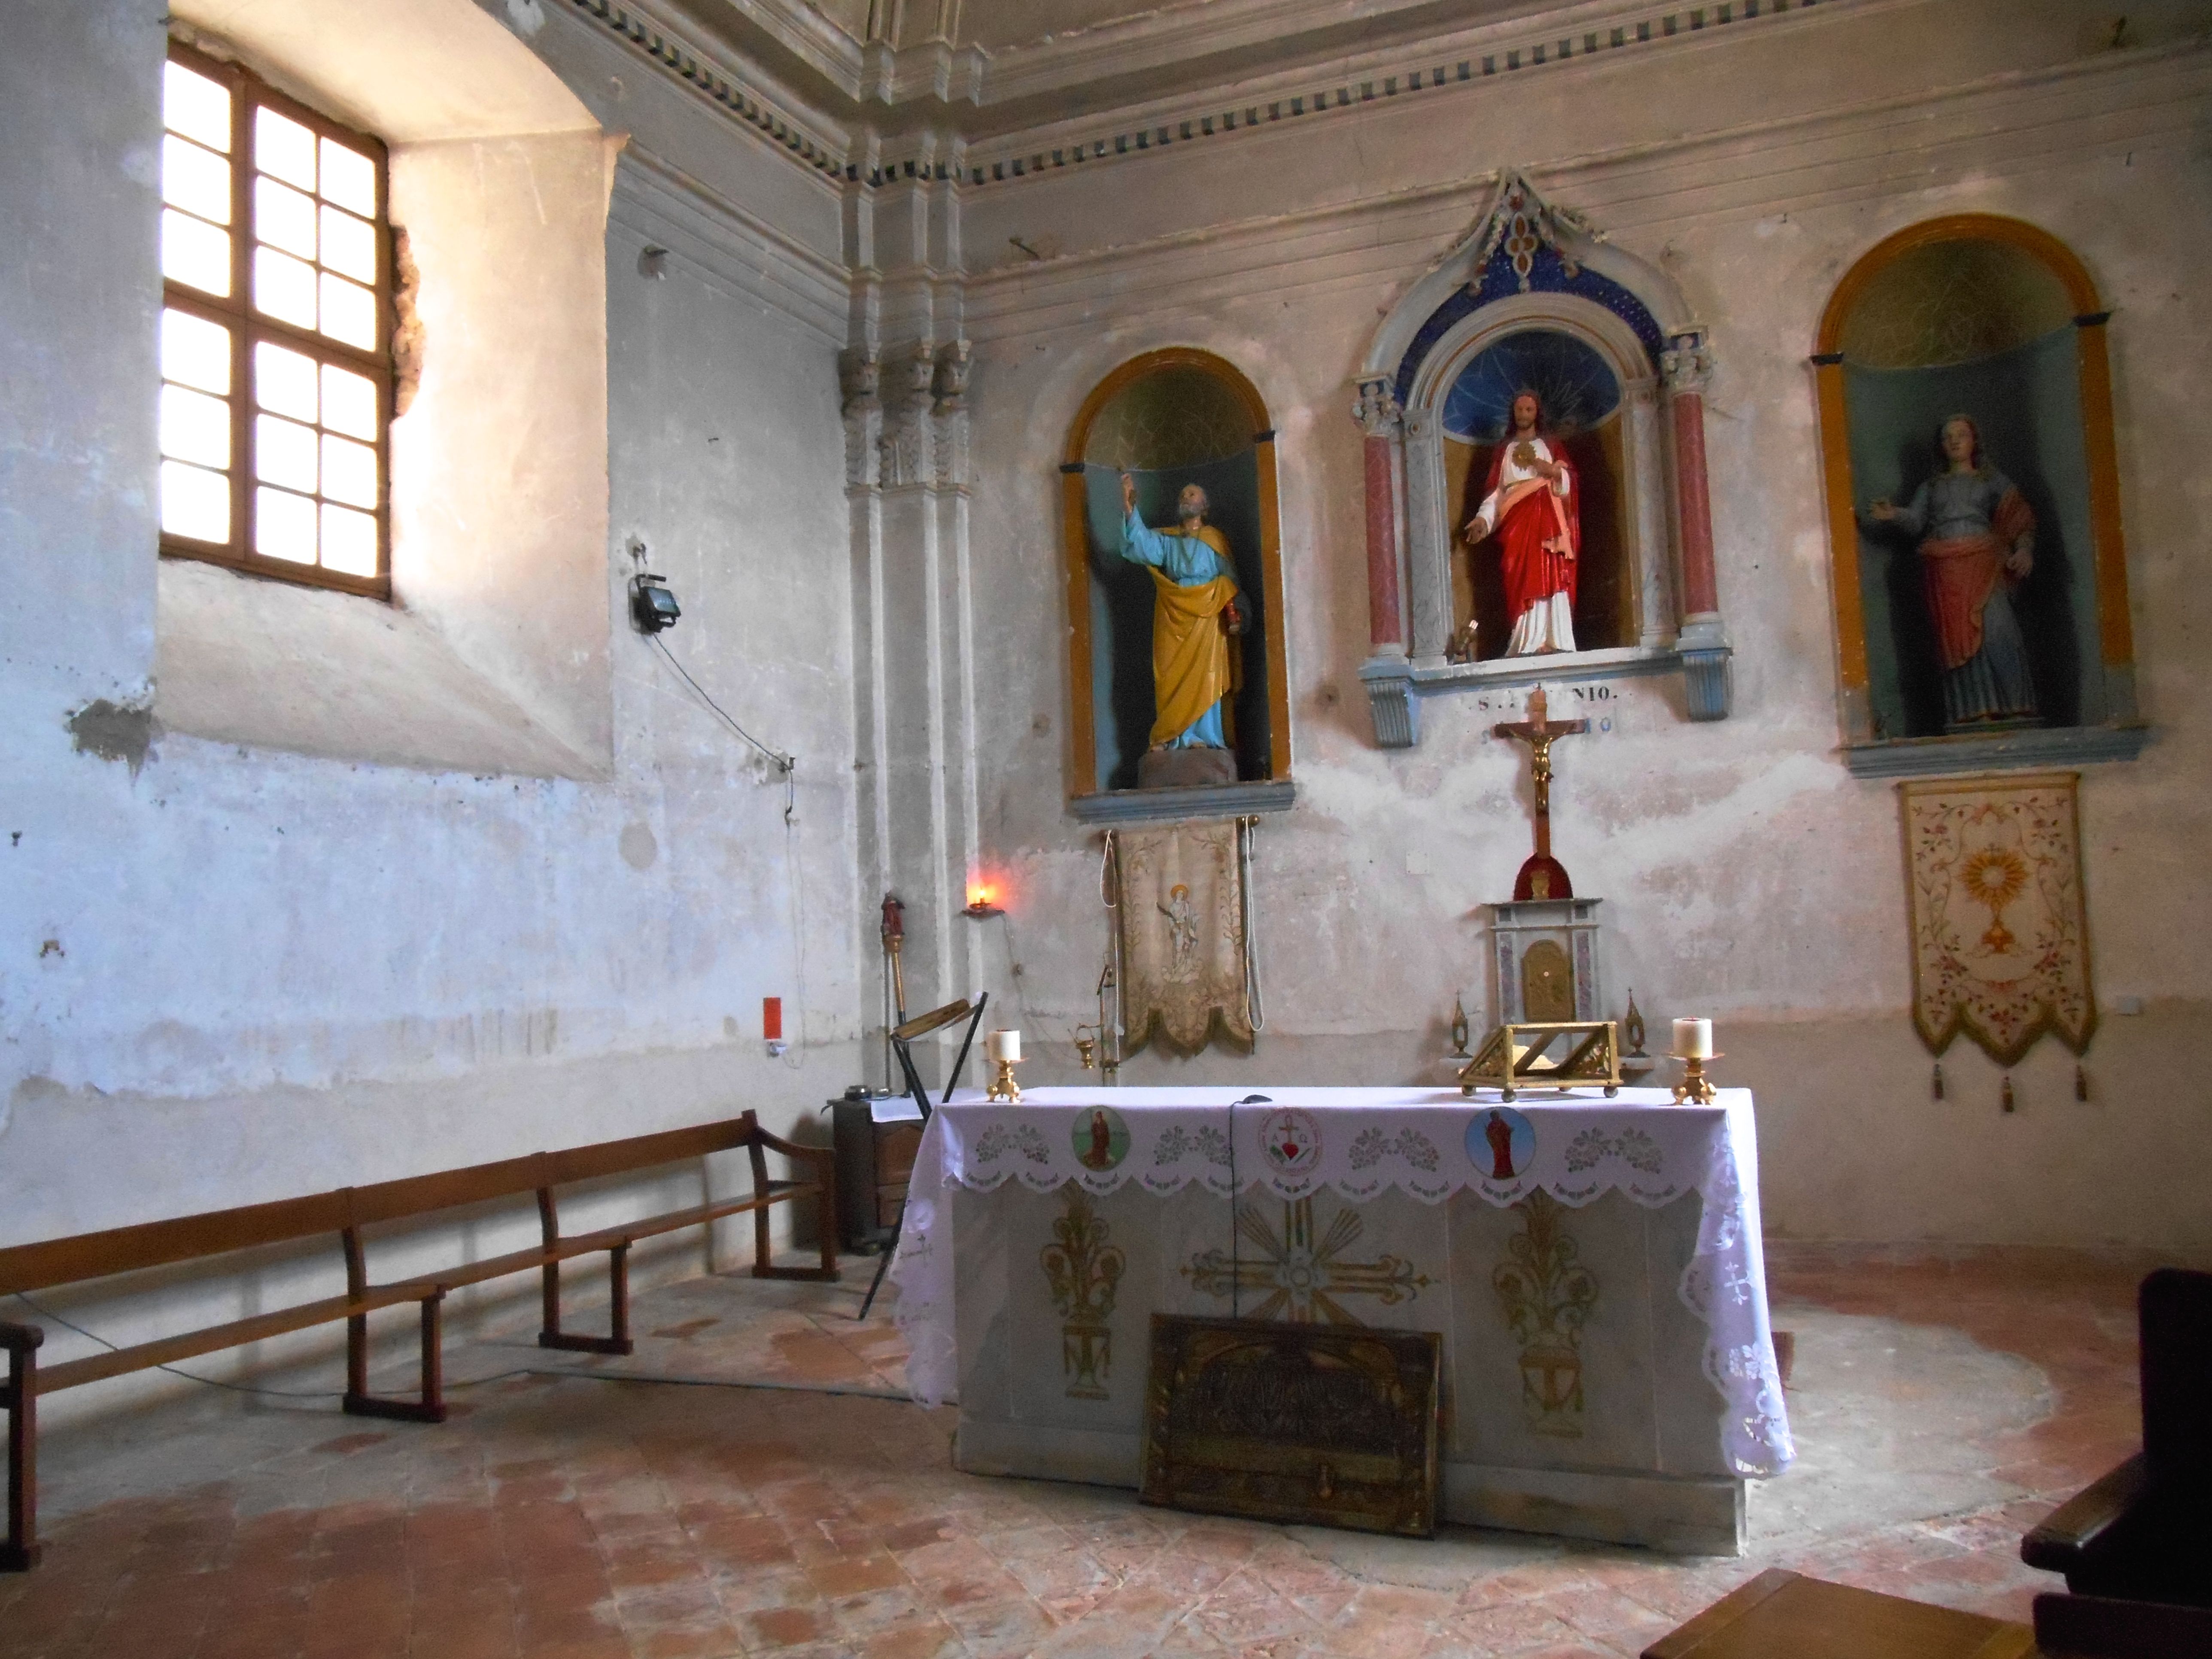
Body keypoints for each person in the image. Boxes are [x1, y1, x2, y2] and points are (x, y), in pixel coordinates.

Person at [1864, 415, 2038, 726]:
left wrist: (2024, 550)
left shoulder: (1990, 480)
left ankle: (2017, 706)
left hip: (1984, 564)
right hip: (1946, 570)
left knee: (1998, 631)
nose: (1955, 441)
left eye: (1962, 435)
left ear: (1974, 441)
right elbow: (1916, 522)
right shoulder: (1932, 487)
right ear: (1942, 446)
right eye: (1948, 437)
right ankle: (1975, 711)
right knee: (1956, 640)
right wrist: (1893, 514)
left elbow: (2020, 517)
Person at [1118, 474, 1244, 751]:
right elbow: (1142, 545)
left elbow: (1231, 581)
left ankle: (1204, 735)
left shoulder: (1215, 540)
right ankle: (1173, 735)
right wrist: (1129, 509)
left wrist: (1235, 612)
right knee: (1170, 674)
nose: (1186, 498)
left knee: (1205, 676)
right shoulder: (1169, 540)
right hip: (1173, 612)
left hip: (1207, 616)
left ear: (1205, 507)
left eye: (1192, 494)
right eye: (1183, 495)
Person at [1465, 390, 1580, 655]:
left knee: (1552, 571)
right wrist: (1482, 519)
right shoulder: (1504, 451)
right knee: (1519, 574)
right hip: (1517, 522)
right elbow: (1497, 493)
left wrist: (1554, 473)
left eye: (1529, 410)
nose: (1524, 414)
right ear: (1513, 413)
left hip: (1549, 519)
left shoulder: (1550, 446)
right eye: (1520, 410)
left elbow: (1571, 483)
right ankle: (1526, 640)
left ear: (1537, 413)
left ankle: (1555, 638)